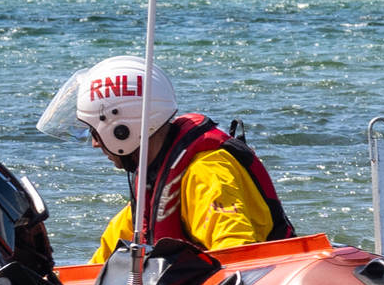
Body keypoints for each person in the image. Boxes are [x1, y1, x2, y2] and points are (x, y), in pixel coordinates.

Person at [36, 54, 294, 270]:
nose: (94, 143)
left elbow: (241, 258)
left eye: (94, 132)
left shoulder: (206, 173)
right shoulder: (153, 179)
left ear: (122, 129)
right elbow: (101, 260)